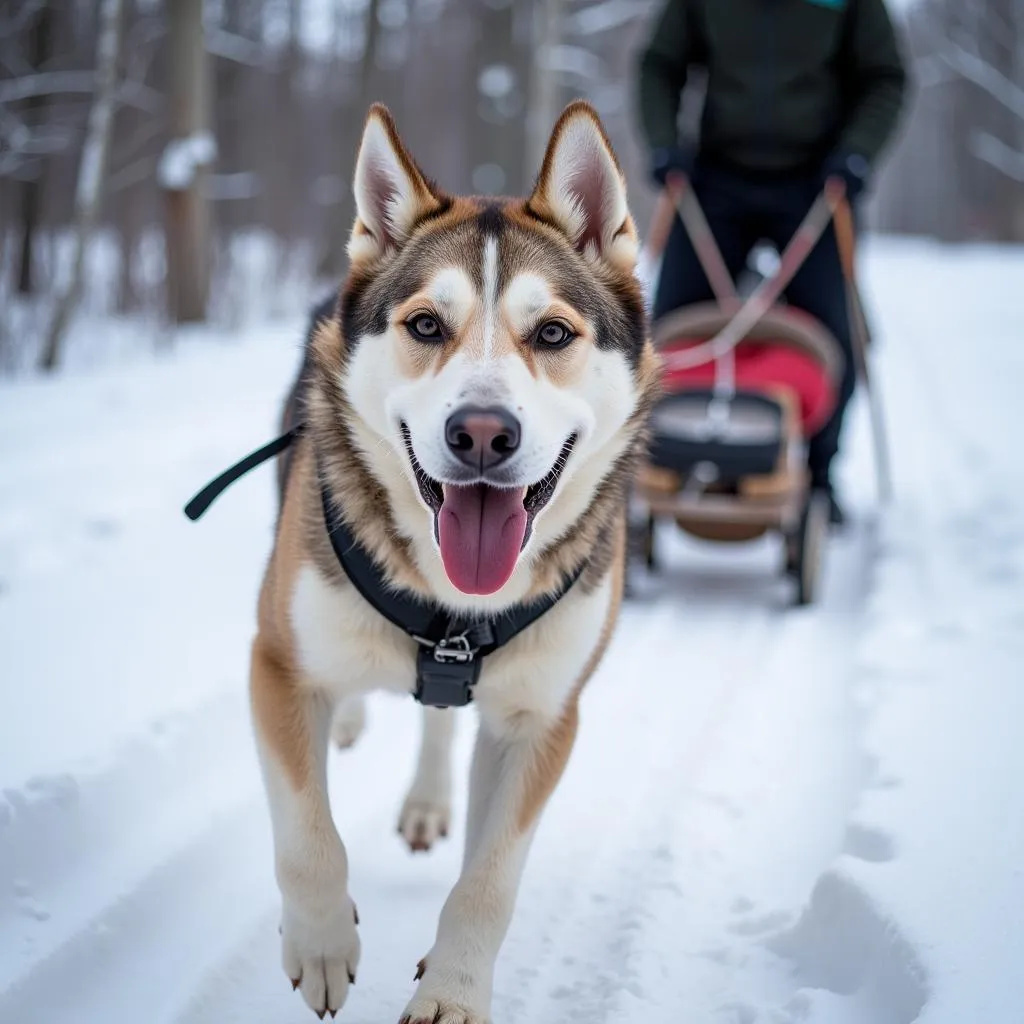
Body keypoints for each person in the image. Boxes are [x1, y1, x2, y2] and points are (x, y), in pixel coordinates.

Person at [636, 0, 907, 524]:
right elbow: (659, 64)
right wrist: (664, 144)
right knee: (667, 326)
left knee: (833, 332)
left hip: (817, 179)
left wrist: (858, 152)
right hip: (715, 178)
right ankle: (661, 455)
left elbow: (885, 78)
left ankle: (821, 475)